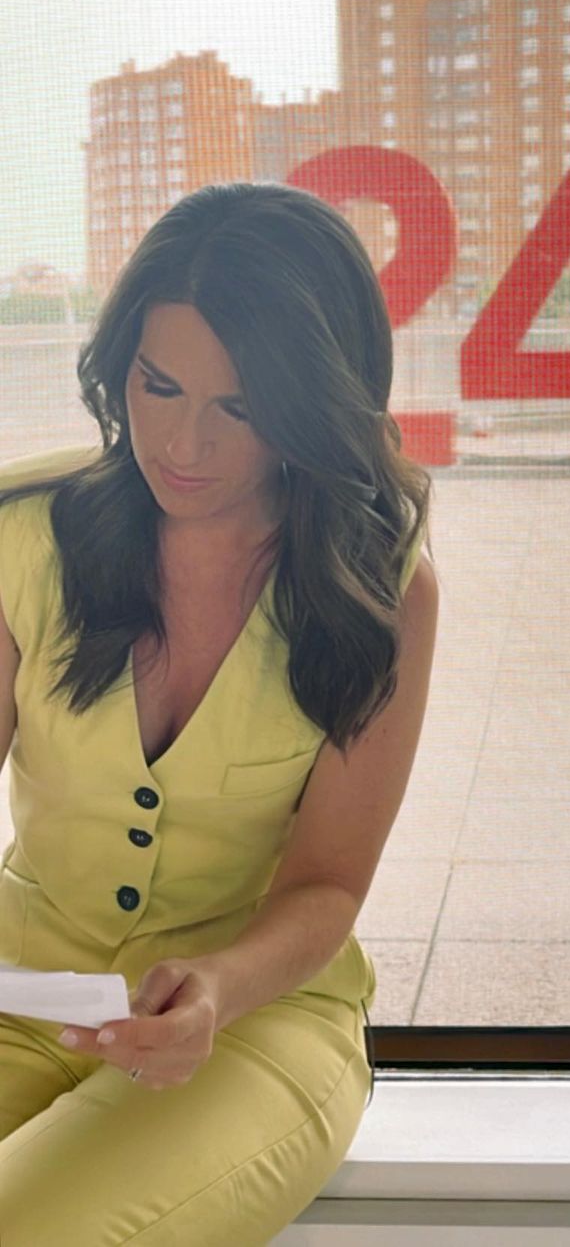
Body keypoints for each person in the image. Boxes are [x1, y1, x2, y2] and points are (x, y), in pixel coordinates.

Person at [0, 182, 439, 1244]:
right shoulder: (25, 535)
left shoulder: (381, 592)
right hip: (23, 991)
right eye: (158, 385)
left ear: (313, 405)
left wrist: (218, 988)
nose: (183, 444)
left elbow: (327, 885)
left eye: (238, 408)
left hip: (255, 1018)